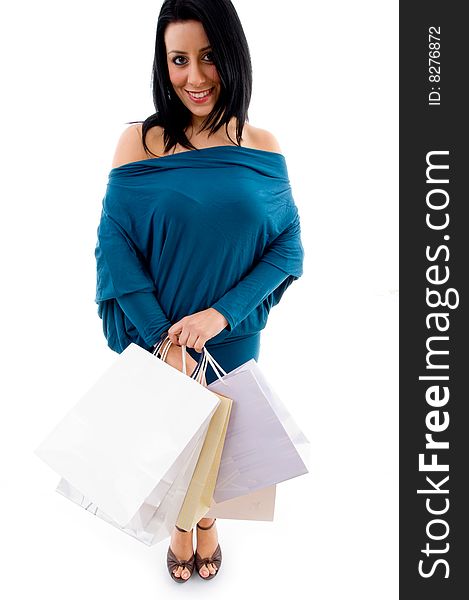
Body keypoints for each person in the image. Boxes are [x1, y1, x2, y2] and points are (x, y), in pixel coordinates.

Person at [94, 0, 304, 584]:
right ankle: (185, 526)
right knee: (168, 435)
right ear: (162, 64)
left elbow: (287, 248)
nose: (193, 77)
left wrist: (219, 316)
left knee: (219, 437)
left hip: (229, 332)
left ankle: (200, 523)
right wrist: (164, 336)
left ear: (233, 57)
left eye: (208, 57)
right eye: (178, 59)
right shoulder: (140, 141)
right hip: (155, 329)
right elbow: (114, 244)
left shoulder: (262, 145)